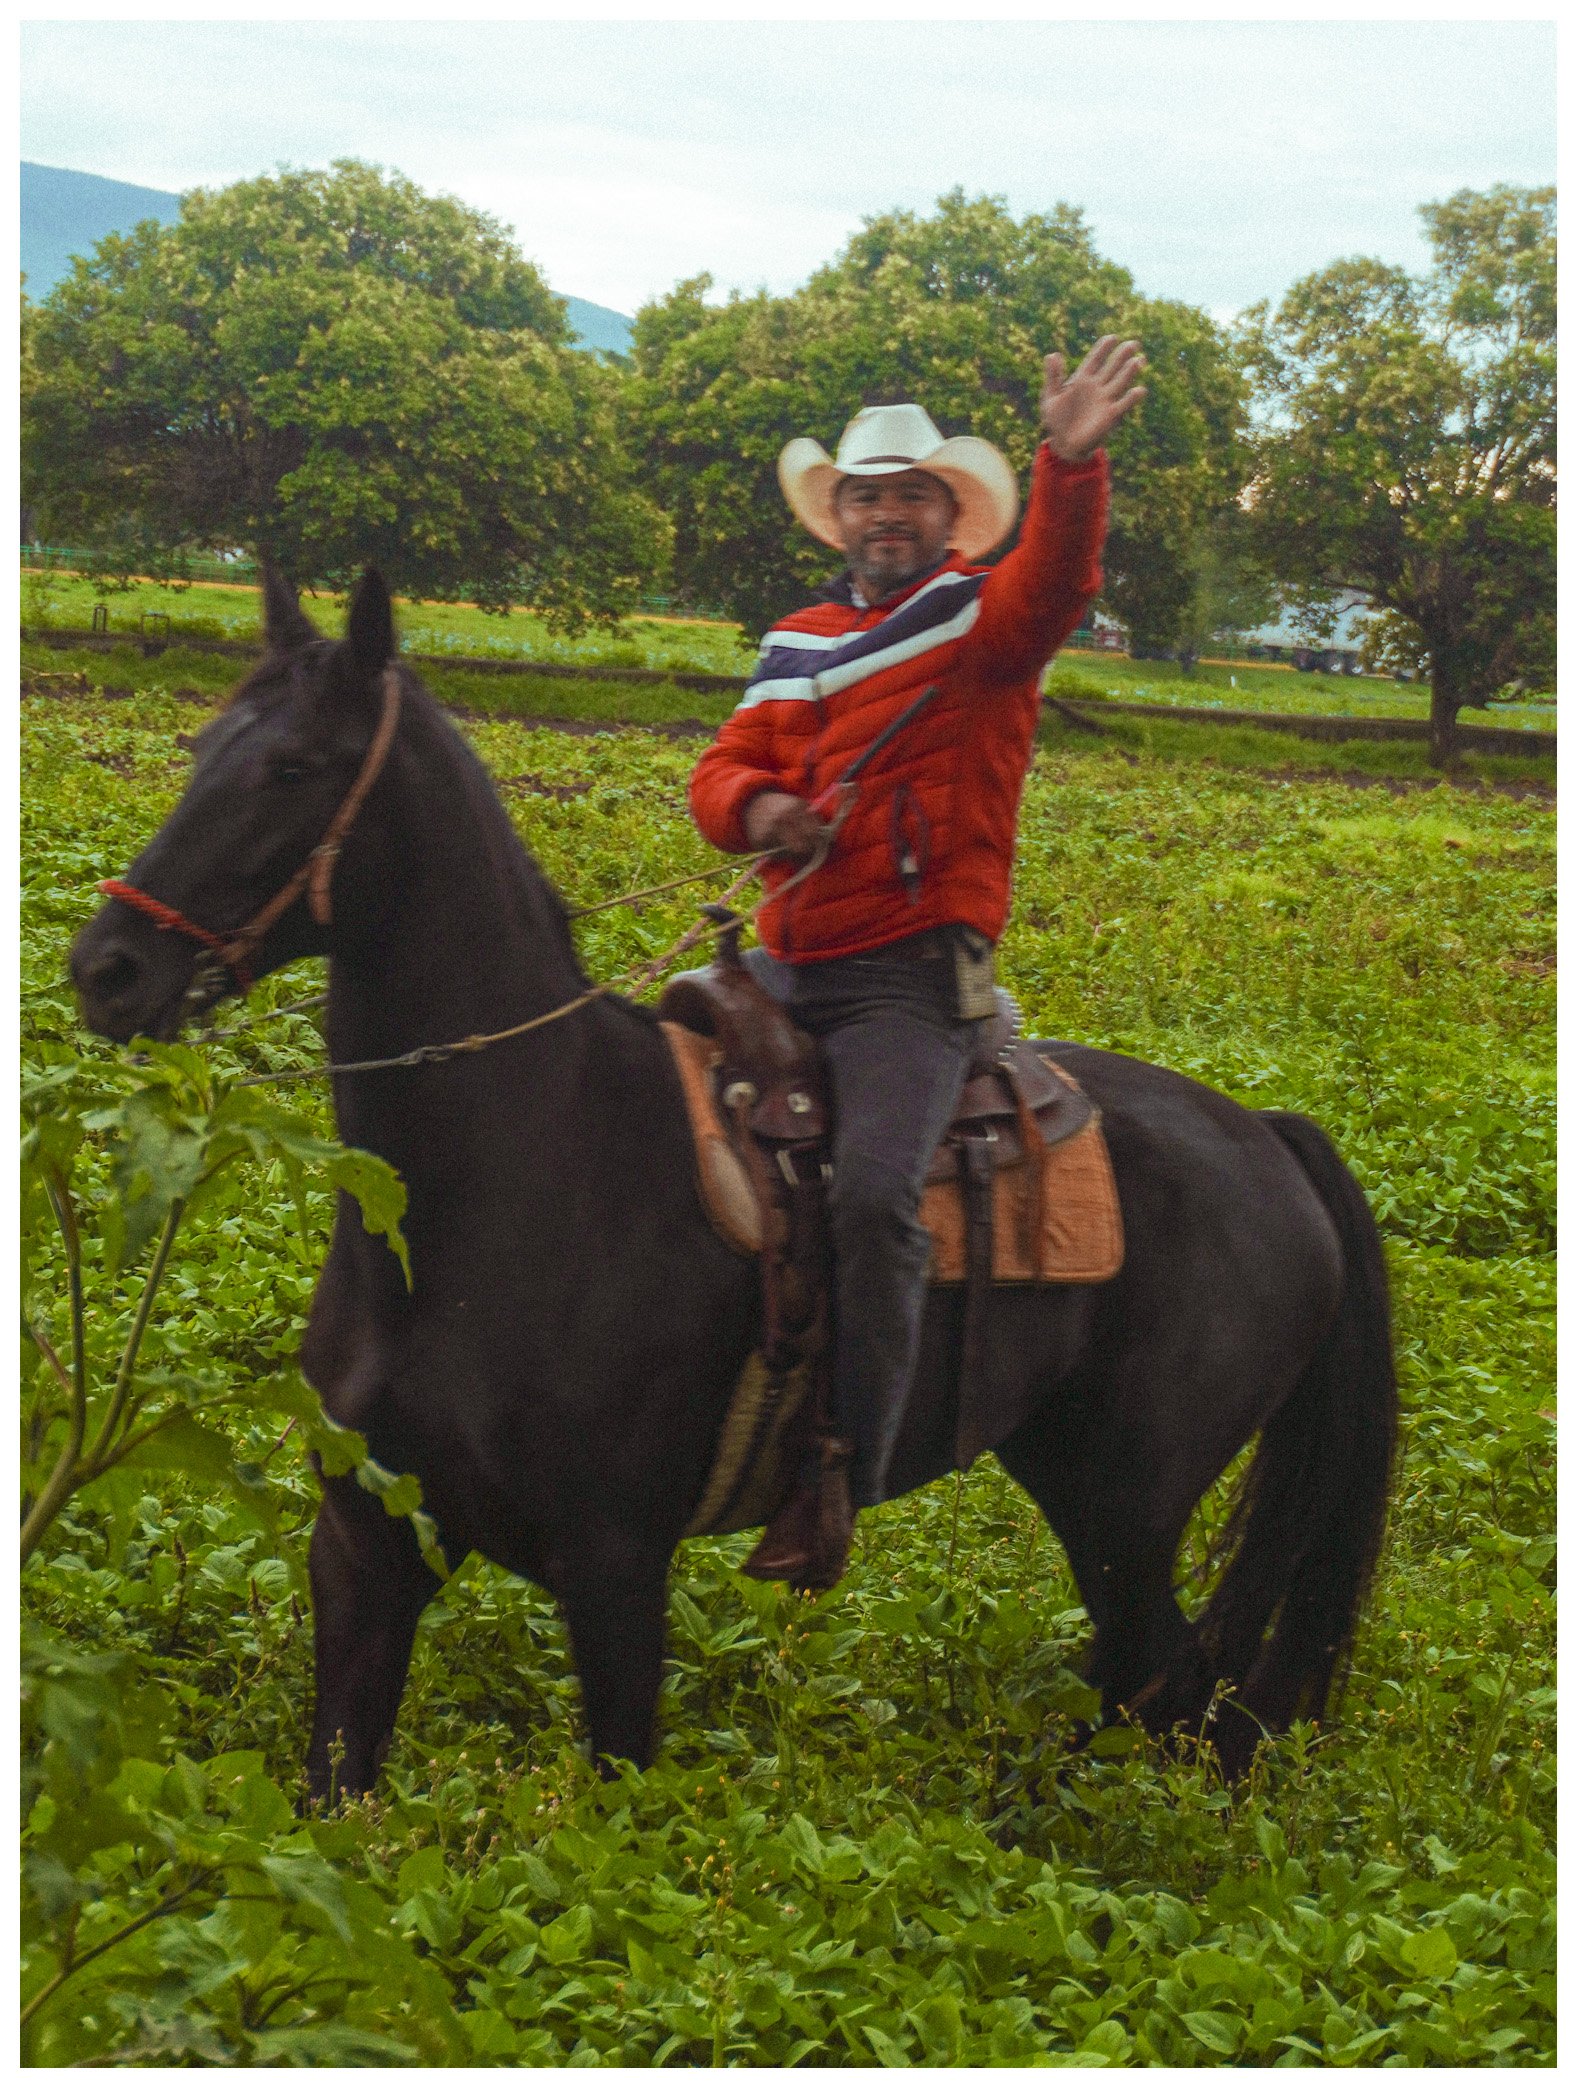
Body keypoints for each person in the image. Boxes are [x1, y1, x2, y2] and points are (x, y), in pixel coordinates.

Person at [687, 336, 1146, 1587]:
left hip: (906, 974)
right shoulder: (794, 638)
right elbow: (725, 764)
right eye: (865, 494)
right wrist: (756, 813)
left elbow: (1054, 581)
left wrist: (1070, 460)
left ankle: (842, 1461)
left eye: (909, 495)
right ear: (835, 513)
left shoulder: (982, 622)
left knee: (874, 1195)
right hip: (783, 962)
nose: (885, 513)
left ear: (950, 515)